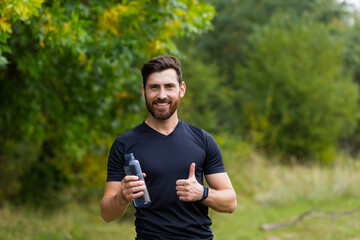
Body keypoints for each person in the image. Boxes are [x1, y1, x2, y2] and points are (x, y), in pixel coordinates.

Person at [100, 55, 237, 239]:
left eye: (169, 86)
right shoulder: (124, 144)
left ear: (182, 89)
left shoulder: (203, 140)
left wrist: (202, 192)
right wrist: (123, 197)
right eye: (154, 87)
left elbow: (230, 203)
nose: (162, 95)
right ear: (143, 91)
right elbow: (107, 214)